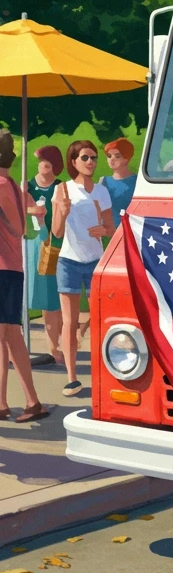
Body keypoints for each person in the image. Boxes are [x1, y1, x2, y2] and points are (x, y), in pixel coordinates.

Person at [51, 140, 114, 397]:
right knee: (69, 321)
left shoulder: (101, 191)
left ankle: (104, 374)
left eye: (93, 158)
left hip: (96, 261)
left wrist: (103, 230)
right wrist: (63, 212)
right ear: (73, 161)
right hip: (68, 261)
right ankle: (72, 378)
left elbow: (111, 228)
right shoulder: (62, 189)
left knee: (100, 318)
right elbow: (56, 232)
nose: (90, 162)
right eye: (85, 158)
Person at [0, 129, 49, 423]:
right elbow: (20, 228)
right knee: (10, 335)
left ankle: (16, 402)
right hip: (12, 267)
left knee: (6, 336)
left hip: (2, 268)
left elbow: (16, 228)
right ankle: (25, 401)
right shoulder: (13, 186)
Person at [24, 144, 65, 364]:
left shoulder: (60, 187)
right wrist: (32, 210)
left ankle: (56, 347)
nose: (42, 165)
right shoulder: (27, 186)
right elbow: (16, 210)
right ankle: (51, 347)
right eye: (40, 161)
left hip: (57, 245)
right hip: (33, 245)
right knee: (38, 296)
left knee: (55, 298)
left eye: (47, 161)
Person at [100, 137, 137, 220]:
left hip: (130, 225)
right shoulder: (103, 181)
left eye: (117, 156)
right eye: (109, 156)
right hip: (109, 226)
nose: (112, 159)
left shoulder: (137, 181)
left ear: (126, 158)